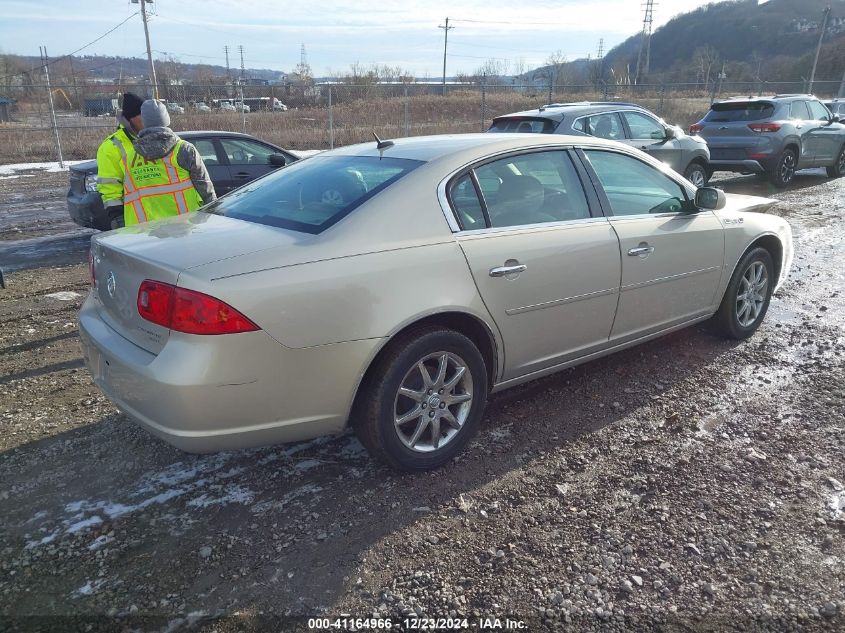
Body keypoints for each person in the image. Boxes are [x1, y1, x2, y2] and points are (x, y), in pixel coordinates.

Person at [120, 99, 216, 225]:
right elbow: (205, 188)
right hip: (183, 228)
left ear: (144, 122)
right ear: (166, 119)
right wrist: (215, 217)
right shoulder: (183, 149)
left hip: (145, 232)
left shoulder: (130, 157)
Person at [95, 92, 144, 226]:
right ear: (131, 118)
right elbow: (109, 187)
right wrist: (118, 218)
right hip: (132, 221)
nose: (146, 119)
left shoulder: (151, 138)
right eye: (142, 115)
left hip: (159, 216)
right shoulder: (111, 147)